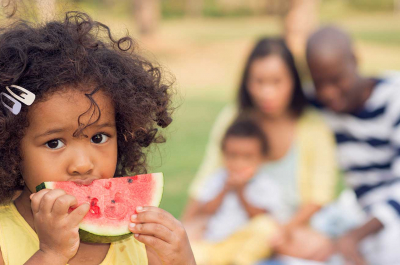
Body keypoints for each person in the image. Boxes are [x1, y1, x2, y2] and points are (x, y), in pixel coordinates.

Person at [0, 11, 196, 265]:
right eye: (54, 143)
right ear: (11, 148)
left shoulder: (143, 241)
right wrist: (51, 254)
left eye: (99, 137)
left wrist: (183, 260)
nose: (82, 164)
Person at [183, 38, 338, 263]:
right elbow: (208, 174)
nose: (267, 92)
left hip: (283, 227)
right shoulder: (234, 117)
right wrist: (185, 223)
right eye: (258, 82)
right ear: (247, 82)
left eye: (277, 82)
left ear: (293, 82)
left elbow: (319, 196)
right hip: (227, 223)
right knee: (185, 239)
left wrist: (284, 230)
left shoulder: (313, 127)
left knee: (320, 246)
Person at [306, 26, 400, 265]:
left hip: (389, 218)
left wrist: (354, 237)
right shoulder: (318, 104)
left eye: (337, 80)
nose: (328, 93)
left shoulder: (393, 98)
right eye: (319, 83)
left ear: (355, 61)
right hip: (357, 210)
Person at [192, 118, 288, 265]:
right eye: (232, 156)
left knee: (267, 227)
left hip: (244, 247)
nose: (239, 164)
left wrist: (241, 191)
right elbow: (205, 210)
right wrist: (224, 189)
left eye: (247, 157)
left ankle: (240, 261)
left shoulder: (265, 184)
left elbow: (259, 216)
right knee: (192, 250)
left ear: (261, 158)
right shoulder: (217, 179)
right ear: (223, 154)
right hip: (215, 244)